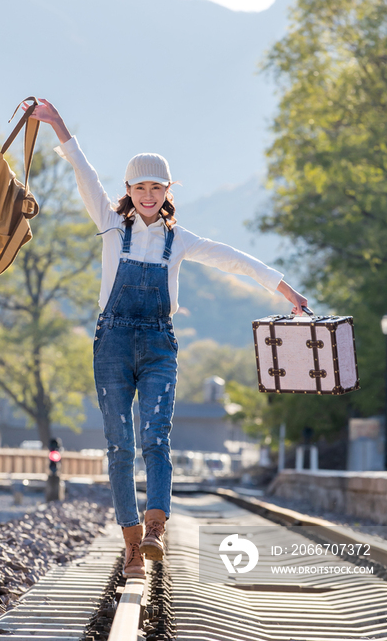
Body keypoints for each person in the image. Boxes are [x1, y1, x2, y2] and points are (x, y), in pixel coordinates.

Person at [25, 99, 308, 578]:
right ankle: (132, 546)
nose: (149, 195)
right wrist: (56, 123)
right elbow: (83, 168)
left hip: (159, 346)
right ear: (129, 190)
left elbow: (234, 259)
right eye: (141, 187)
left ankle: (156, 527)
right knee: (119, 447)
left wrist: (285, 291)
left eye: (157, 187)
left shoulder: (181, 240)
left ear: (167, 190)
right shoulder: (110, 224)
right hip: (112, 344)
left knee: (156, 439)